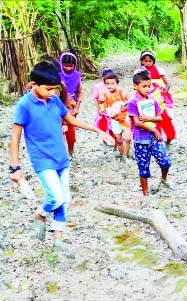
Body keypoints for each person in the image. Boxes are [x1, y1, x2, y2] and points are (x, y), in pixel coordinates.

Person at [8, 61, 114, 254]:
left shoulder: (55, 100)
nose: (52, 93)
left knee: (64, 200)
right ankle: (40, 215)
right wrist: (15, 168)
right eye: (48, 89)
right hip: (42, 160)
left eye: (54, 89)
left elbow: (71, 119)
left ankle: (57, 241)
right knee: (55, 197)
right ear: (34, 85)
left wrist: (98, 130)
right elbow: (15, 137)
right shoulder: (24, 105)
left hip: (61, 158)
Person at [126, 70, 173, 197]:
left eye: (149, 86)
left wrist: (149, 119)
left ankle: (163, 179)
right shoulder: (132, 102)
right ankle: (146, 194)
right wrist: (154, 129)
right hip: (141, 140)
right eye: (144, 86)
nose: (147, 89)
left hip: (154, 138)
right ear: (135, 86)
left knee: (165, 161)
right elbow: (137, 122)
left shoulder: (152, 100)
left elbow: (160, 117)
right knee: (143, 166)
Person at [140, 50, 176, 148]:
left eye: (150, 61)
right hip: (148, 103)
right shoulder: (139, 72)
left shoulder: (159, 71)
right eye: (145, 61)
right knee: (154, 125)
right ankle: (156, 146)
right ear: (142, 61)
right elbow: (137, 87)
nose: (148, 63)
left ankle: (169, 140)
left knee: (168, 126)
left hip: (160, 102)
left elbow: (167, 84)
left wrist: (163, 95)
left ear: (153, 61)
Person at [99, 73, 131, 162]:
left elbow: (131, 101)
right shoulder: (104, 95)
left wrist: (126, 106)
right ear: (104, 84)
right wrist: (101, 104)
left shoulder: (121, 92)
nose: (110, 86)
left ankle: (126, 154)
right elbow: (101, 104)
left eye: (112, 83)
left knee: (128, 138)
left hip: (124, 119)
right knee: (119, 140)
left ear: (117, 83)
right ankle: (122, 156)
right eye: (107, 84)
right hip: (114, 120)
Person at [59, 51, 83, 158]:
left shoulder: (77, 76)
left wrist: (77, 107)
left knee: (71, 130)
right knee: (58, 129)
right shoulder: (57, 75)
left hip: (71, 106)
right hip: (58, 105)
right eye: (66, 66)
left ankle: (70, 154)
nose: (68, 68)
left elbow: (80, 92)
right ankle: (60, 153)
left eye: (70, 66)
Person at [93, 66, 114, 134]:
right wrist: (98, 109)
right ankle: (105, 138)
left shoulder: (114, 86)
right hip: (102, 109)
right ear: (102, 77)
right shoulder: (98, 87)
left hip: (112, 110)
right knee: (103, 124)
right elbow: (95, 98)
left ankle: (113, 138)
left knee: (112, 125)